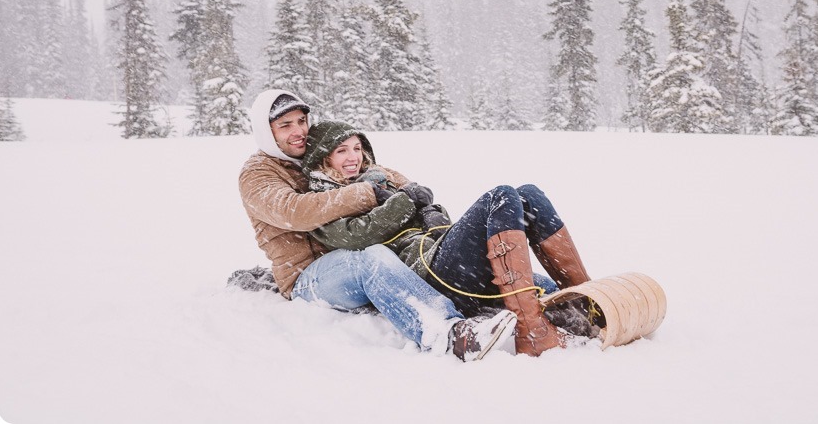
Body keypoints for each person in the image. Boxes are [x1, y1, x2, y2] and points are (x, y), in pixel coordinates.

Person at [238, 89, 517, 362]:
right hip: (309, 276)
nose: (299, 130)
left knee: (458, 260)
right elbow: (294, 211)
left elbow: (383, 174)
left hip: (364, 250)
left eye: (301, 121)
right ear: (266, 131)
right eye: (285, 125)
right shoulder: (257, 173)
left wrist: (419, 199)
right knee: (370, 258)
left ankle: (543, 295)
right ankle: (447, 334)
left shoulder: (318, 153)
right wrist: (367, 194)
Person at [301, 119, 600, 357]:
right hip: (428, 275)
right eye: (342, 151)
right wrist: (404, 201)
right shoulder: (322, 201)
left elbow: (423, 217)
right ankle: (532, 330)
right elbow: (356, 238)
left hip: (443, 257)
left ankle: (587, 299)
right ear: (323, 159)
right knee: (501, 196)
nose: (353, 157)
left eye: (356, 148)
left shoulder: (379, 181)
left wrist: (433, 212)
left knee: (529, 194)